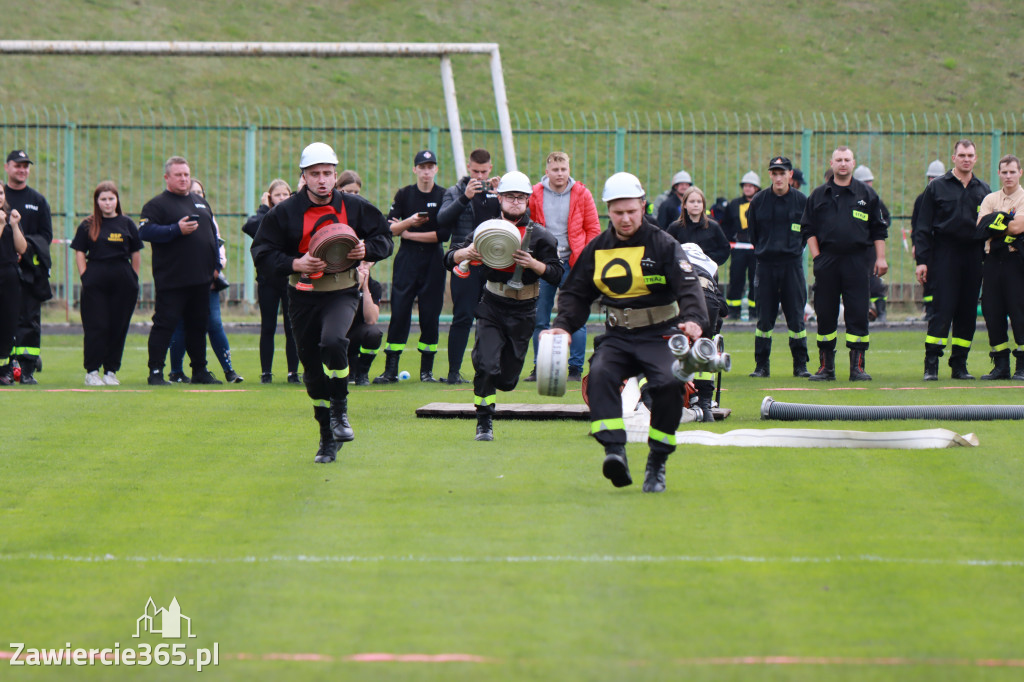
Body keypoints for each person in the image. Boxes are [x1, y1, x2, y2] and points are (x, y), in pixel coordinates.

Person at [544, 172, 708, 493]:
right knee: (601, 374)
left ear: (643, 206)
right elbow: (577, 294)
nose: (625, 218)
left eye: (632, 211)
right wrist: (563, 327)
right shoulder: (597, 249)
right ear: (609, 211)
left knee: (670, 385)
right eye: (618, 213)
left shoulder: (663, 244)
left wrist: (693, 319)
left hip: (660, 334)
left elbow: (688, 285)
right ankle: (614, 452)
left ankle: (657, 462)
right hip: (617, 336)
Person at [251, 142, 393, 464]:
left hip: (342, 291)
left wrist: (365, 249)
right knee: (313, 374)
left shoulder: (355, 206)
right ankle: (326, 439)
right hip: (301, 295)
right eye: (315, 174)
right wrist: (295, 264)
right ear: (303, 176)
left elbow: (385, 238)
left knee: (333, 341)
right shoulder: (284, 213)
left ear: (334, 174)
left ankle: (340, 410)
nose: (322, 180)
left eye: (328, 173)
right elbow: (261, 252)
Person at [444, 171, 561, 441]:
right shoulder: (486, 229)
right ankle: (484, 420)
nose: (516, 202)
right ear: (499, 197)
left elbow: (557, 273)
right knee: (485, 365)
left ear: (529, 199)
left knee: (507, 380)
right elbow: (449, 258)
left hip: (524, 309)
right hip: (492, 305)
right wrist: (465, 253)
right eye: (510, 196)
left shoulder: (542, 235)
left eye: (521, 197)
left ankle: (494, 380)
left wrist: (534, 264)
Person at [801, 146, 888, 381]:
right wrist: (817, 256)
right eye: (838, 160)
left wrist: (880, 258)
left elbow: (879, 229)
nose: (842, 164)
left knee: (858, 312)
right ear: (831, 163)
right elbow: (807, 228)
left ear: (853, 163)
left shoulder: (867, 194)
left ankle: (857, 367)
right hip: (827, 260)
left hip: (858, 261)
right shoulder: (819, 195)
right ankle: (825, 368)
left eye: (847, 160)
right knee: (826, 312)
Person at [139, 156, 221, 385]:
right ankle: (155, 371)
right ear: (167, 177)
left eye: (186, 174)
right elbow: (144, 232)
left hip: (201, 279)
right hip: (172, 279)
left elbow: (212, 236)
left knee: (198, 326)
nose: (184, 178)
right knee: (165, 324)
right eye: (178, 175)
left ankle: (199, 371)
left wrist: (215, 266)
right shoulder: (156, 205)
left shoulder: (201, 202)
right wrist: (176, 229)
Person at [914, 140, 991, 380]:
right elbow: (923, 227)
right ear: (953, 158)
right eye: (962, 155)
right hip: (945, 254)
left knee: (967, 312)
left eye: (970, 155)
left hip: (973, 255)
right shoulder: (936, 187)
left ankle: (959, 364)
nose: (966, 159)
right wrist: (922, 261)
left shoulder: (983, 190)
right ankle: (931, 364)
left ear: (975, 159)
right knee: (942, 309)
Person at [525, 151, 601, 382]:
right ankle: (540, 367)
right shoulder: (535, 194)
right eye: (555, 170)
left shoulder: (582, 193)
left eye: (563, 169)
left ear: (569, 170)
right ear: (547, 171)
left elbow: (593, 229)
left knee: (576, 316)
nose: (560, 174)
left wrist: (584, 259)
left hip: (573, 264)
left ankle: (575, 369)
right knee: (540, 317)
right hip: (544, 263)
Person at [374, 150, 449, 383]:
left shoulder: (444, 195)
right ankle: (391, 369)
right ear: (415, 169)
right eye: (422, 167)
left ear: (436, 169)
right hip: (407, 260)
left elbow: (442, 235)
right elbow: (389, 229)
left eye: (430, 167)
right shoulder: (404, 195)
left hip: (433, 261)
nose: (426, 171)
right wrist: (407, 225)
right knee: (400, 312)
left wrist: (408, 233)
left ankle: (426, 371)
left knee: (430, 314)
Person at [167, 178, 242, 383]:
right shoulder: (175, 217)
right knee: (181, 325)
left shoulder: (209, 216)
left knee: (215, 324)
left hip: (207, 281)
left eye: (200, 192)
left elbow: (219, 246)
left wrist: (216, 270)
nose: (196, 196)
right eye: (193, 192)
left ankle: (229, 371)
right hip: (183, 283)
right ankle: (176, 372)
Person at [436, 148, 501, 384]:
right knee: (462, 317)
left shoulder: (497, 192)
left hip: (493, 263)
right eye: (476, 171)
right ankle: (453, 373)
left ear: (490, 169)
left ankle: (488, 370)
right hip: (465, 261)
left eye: (484, 172)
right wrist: (466, 197)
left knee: (491, 318)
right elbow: (442, 219)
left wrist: (502, 193)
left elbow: (514, 219)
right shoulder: (455, 191)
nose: (481, 177)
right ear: (468, 168)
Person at [70, 181, 142, 386]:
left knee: (118, 327)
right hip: (96, 279)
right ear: (97, 201)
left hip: (123, 280)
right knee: (97, 326)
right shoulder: (87, 225)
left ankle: (111, 371)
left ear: (117, 200)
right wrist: (85, 276)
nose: (108, 203)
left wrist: (133, 278)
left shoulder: (127, 224)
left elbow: (136, 253)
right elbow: (80, 252)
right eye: (103, 199)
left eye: (111, 198)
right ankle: (92, 371)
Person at [746, 157, 810, 378]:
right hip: (766, 266)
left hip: (792, 266)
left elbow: (807, 233)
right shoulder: (758, 201)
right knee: (764, 319)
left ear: (790, 175)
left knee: (796, 318)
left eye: (782, 173)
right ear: (770, 175)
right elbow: (754, 234)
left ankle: (800, 365)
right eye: (774, 173)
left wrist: (792, 249)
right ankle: (761, 366)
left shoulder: (802, 201)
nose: (779, 177)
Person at [243, 178, 300, 384]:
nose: (282, 198)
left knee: (291, 327)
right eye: (277, 195)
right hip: (268, 280)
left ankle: (293, 372)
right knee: (268, 327)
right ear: (269, 198)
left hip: (290, 279)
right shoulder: (264, 217)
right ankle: (266, 373)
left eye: (285, 194)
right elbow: (249, 226)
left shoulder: (293, 215)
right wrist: (264, 208)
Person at [4, 150, 52, 384]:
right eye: (18, 165)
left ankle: (27, 367)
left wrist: (26, 249)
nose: (22, 170)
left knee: (29, 319)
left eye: (26, 166)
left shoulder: (38, 201)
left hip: (30, 270)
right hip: (5, 267)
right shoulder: (2, 197)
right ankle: (6, 365)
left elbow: (46, 236)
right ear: (7, 167)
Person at [976, 154, 1024, 380]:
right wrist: (1004, 221)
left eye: (1012, 171)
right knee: (992, 311)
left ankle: (1022, 366)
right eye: (1004, 172)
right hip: (993, 262)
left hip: (1017, 261)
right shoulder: (989, 198)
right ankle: (1000, 365)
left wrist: (997, 223)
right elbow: (981, 228)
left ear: (1020, 172)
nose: (1008, 176)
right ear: (998, 173)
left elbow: (1017, 228)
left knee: (1019, 312)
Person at [853, 165, 891, 324]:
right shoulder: (851, 200)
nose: (868, 185)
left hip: (871, 248)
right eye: (865, 182)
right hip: (855, 249)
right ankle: (864, 312)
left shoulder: (875, 200)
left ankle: (881, 312)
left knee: (875, 280)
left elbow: (885, 220)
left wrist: (874, 233)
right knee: (856, 281)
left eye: (869, 182)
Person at [721, 171, 761, 320]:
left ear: (756, 188)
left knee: (756, 279)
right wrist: (729, 240)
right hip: (738, 248)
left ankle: (755, 310)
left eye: (751, 186)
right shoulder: (734, 204)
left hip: (756, 248)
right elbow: (726, 224)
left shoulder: (761, 202)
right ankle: (733, 310)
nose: (747, 188)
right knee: (736, 278)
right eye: (745, 186)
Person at [911, 160, 947, 322]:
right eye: (931, 177)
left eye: (937, 177)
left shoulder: (948, 197)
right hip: (927, 245)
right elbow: (916, 225)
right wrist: (916, 245)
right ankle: (930, 311)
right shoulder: (921, 199)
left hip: (944, 246)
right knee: (927, 278)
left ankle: (943, 310)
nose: (934, 180)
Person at [0, 187, 28, 385]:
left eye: (0, 193)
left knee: (8, 324)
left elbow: (22, 248)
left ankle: (4, 370)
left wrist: (15, 225)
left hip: (8, 275)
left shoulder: (9, 218)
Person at [665, 186, 731, 266]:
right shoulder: (675, 227)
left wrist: (708, 260)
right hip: (682, 273)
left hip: (707, 274)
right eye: (692, 201)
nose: (696, 205)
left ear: (703, 205)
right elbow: (666, 249)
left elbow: (724, 249)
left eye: (699, 202)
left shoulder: (713, 226)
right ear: (684, 205)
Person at [347, 261, 384, 385]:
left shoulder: (375, 286)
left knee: (374, 333)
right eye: (359, 263)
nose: (362, 267)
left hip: (356, 335)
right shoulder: (340, 282)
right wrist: (355, 286)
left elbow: (371, 319)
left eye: (366, 263)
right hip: (338, 332)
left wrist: (365, 287)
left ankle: (362, 374)